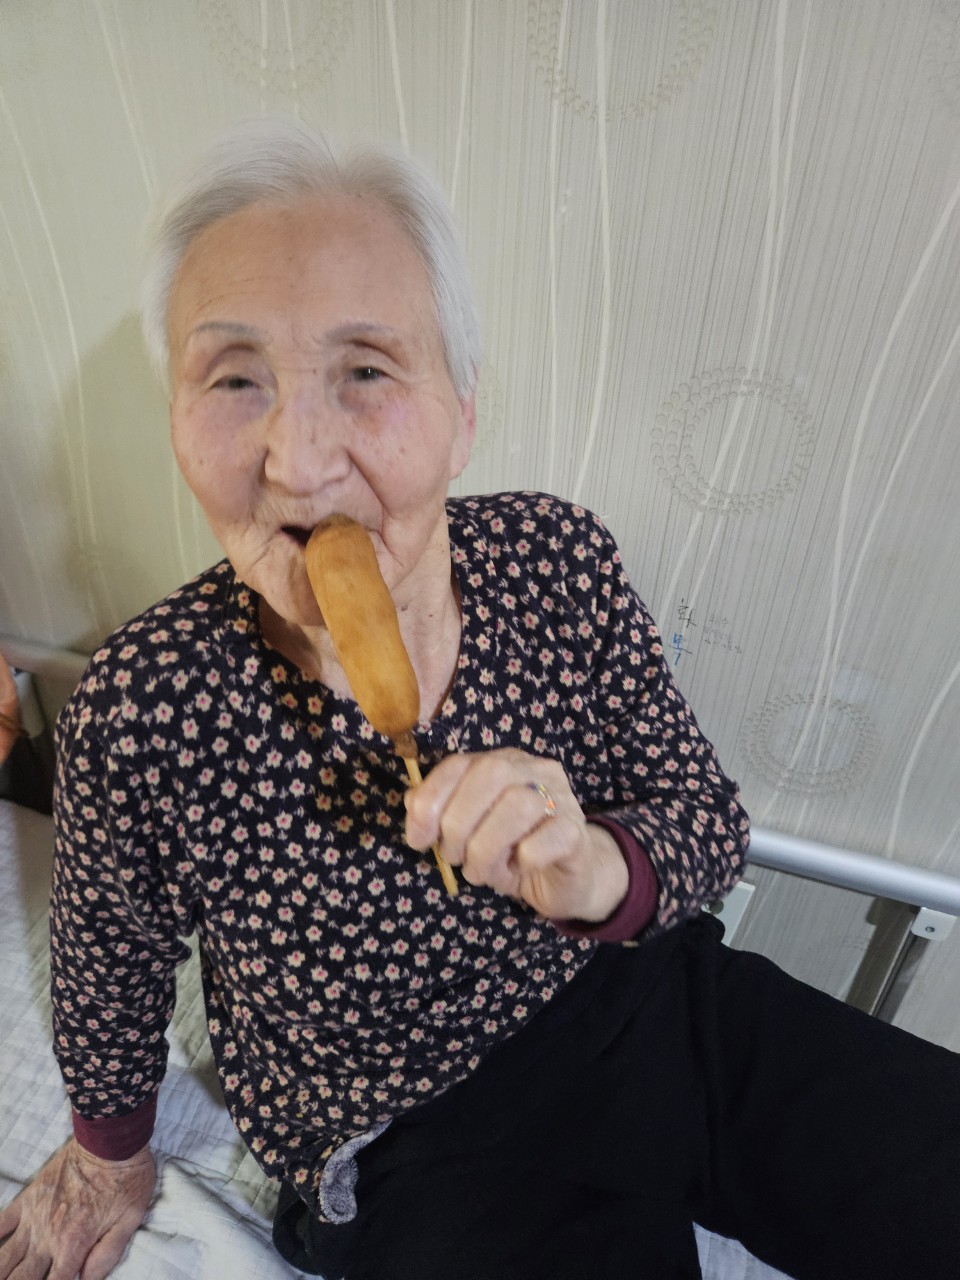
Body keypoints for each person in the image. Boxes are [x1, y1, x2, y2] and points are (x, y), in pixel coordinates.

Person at [1, 117, 958, 1280]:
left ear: (462, 413)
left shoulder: (556, 559)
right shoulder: (143, 706)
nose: (300, 460)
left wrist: (599, 869)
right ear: (176, 421)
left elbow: (704, 813)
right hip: (410, 1132)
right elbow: (108, 962)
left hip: (659, 999)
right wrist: (109, 1154)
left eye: (366, 370)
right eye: (234, 377)